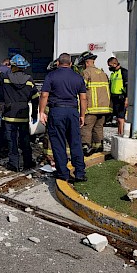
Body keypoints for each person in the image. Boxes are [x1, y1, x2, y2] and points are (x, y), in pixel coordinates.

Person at [39, 53, 87, 182]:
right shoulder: (78, 77)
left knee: (58, 143)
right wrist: (82, 115)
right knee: (75, 142)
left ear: (58, 63)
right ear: (71, 64)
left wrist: (41, 111)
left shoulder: (51, 76)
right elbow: (83, 98)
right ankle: (80, 173)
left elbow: (44, 95)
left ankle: (63, 173)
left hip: (57, 111)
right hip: (72, 111)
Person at [0, 54, 39, 172]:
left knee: (12, 141)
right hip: (23, 115)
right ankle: (28, 162)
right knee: (25, 140)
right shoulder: (29, 80)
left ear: (13, 66)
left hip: (9, 115)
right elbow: (35, 98)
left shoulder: (5, 77)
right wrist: (34, 114)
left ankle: (14, 164)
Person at [77, 52, 112, 155]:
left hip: (91, 107)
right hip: (104, 108)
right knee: (98, 127)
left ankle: (85, 147)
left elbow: (81, 89)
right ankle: (98, 147)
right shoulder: (102, 73)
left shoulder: (86, 73)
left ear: (86, 63)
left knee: (86, 128)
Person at [107, 57, 129, 135]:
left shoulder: (123, 72)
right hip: (114, 98)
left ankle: (122, 133)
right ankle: (119, 132)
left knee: (121, 118)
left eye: (110, 65)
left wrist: (127, 98)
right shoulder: (113, 74)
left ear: (115, 64)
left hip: (121, 98)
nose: (109, 67)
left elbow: (128, 86)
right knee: (117, 118)